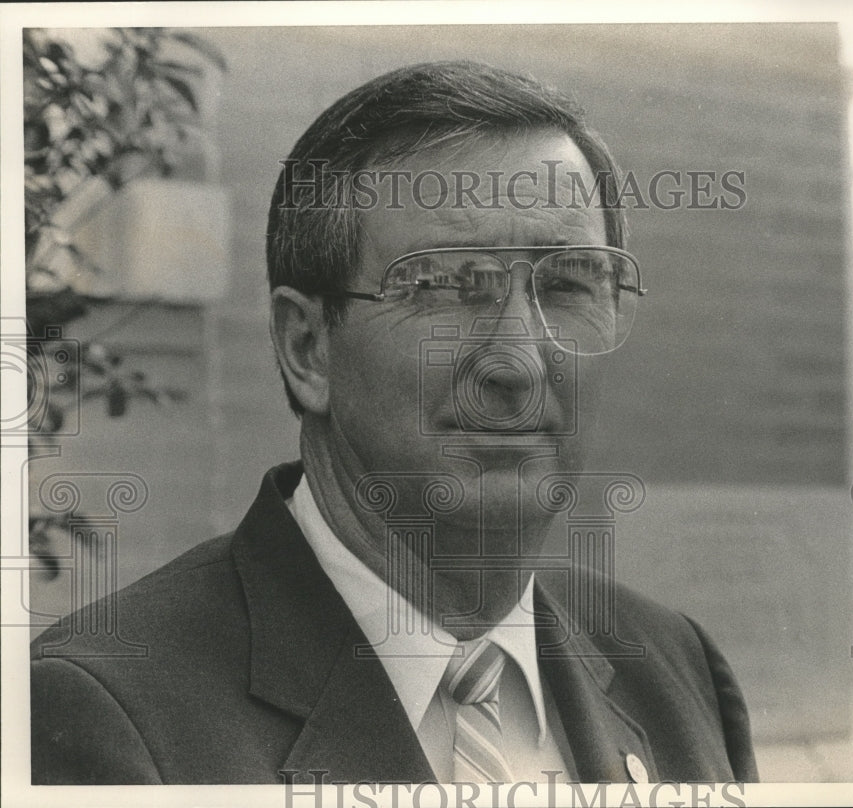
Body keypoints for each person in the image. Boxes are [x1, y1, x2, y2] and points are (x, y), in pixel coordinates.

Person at [31, 61, 758, 785]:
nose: (519, 362)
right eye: (446, 285)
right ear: (306, 347)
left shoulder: (674, 666)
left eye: (567, 284)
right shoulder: (110, 715)